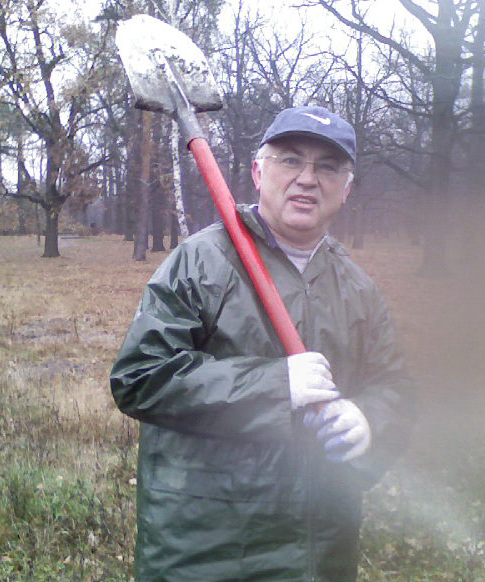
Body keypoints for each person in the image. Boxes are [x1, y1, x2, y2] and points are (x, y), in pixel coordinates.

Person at [110, 105, 415, 582]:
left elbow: (392, 386)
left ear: (346, 189)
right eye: (290, 160)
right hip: (206, 550)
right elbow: (140, 377)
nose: (307, 179)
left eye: (327, 167)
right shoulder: (201, 262)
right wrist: (275, 386)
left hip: (321, 552)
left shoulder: (358, 288)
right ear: (257, 172)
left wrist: (370, 420)